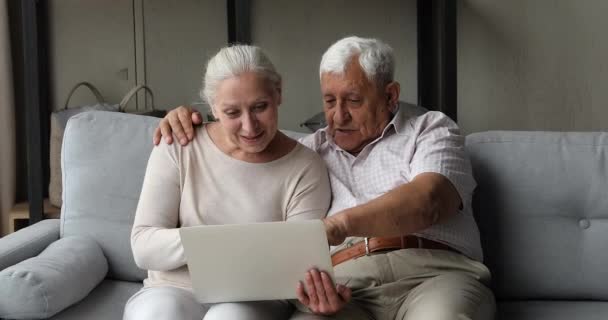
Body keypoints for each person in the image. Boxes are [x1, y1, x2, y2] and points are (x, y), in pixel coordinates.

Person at [155, 36, 496, 320]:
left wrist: (338, 226)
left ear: (390, 95)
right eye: (329, 101)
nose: (337, 115)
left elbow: (429, 201)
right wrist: (185, 119)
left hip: (432, 273)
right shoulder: (307, 153)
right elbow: (241, 148)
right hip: (346, 289)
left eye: (353, 100)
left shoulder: (431, 130)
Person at [124, 45, 331, 320]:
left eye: (260, 107)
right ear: (213, 108)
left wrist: (210, 244)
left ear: (278, 92)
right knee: (156, 313)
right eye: (232, 113)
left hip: (256, 297)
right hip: (172, 289)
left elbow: (296, 264)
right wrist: (222, 244)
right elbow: (143, 247)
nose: (249, 126)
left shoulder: (305, 167)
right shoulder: (178, 146)